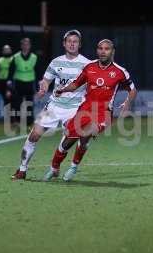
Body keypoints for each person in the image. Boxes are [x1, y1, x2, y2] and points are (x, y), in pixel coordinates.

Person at [43, 39, 137, 182]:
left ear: (112, 51)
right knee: (67, 142)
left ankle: (74, 166)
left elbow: (132, 90)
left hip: (103, 114)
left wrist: (127, 103)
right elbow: (75, 85)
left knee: (85, 133)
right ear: (97, 50)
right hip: (84, 111)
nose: (103, 51)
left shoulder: (119, 71)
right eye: (100, 48)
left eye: (107, 49)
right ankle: (54, 168)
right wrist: (62, 90)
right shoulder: (89, 67)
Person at [12, 30, 90, 180]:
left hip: (75, 108)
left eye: (75, 41)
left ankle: (56, 166)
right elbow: (46, 80)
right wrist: (43, 87)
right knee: (34, 135)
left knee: (70, 137)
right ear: (64, 43)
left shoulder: (87, 64)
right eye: (69, 41)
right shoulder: (56, 62)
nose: (72, 44)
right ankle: (22, 170)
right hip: (54, 105)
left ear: (79, 44)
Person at [7, 38, 39, 126]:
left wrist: (38, 85)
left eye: (27, 44)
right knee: (17, 103)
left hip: (30, 83)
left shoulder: (34, 57)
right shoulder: (15, 57)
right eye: (24, 44)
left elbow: (38, 71)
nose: (25, 46)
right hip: (18, 82)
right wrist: (9, 82)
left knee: (30, 104)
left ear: (30, 46)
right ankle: (17, 121)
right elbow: (11, 70)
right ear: (21, 46)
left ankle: (30, 122)